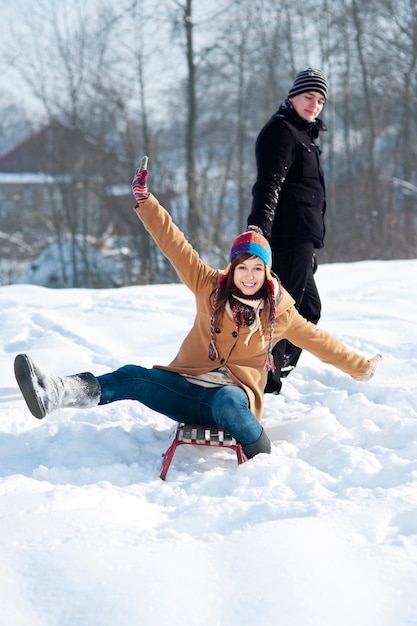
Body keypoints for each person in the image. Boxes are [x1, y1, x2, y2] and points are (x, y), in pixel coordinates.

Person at [14, 157, 382, 463]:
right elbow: (176, 245)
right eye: (243, 268)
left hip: (233, 399)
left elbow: (320, 342)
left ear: (266, 272)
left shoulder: (279, 311)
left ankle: (262, 455)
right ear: (233, 269)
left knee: (227, 400)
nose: (250, 276)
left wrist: (362, 367)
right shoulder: (209, 286)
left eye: (258, 269)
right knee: (133, 376)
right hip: (187, 390)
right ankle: (58, 392)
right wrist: (145, 201)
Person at [247, 68, 329, 394]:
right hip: (287, 235)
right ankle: (264, 384)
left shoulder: (303, 136)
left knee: (308, 310)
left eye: (320, 100)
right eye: (309, 97)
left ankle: (276, 369)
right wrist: (258, 233)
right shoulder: (281, 131)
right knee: (282, 313)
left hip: (303, 238)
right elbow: (269, 184)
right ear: (293, 96)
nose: (314, 105)